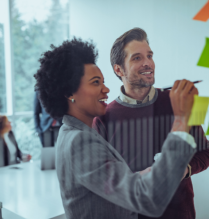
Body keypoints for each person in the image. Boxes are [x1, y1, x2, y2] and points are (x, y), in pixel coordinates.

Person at [34, 38, 198, 219]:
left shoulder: (74, 134)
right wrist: (182, 119)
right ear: (69, 93)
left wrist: (142, 175)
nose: (106, 89)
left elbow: (107, 183)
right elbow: (147, 199)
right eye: (96, 82)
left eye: (149, 56)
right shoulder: (80, 141)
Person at [93, 28, 209, 219]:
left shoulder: (177, 102)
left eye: (149, 56)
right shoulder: (103, 118)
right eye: (137, 58)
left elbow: (206, 152)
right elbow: (103, 181)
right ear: (118, 69)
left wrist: (185, 169)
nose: (148, 63)